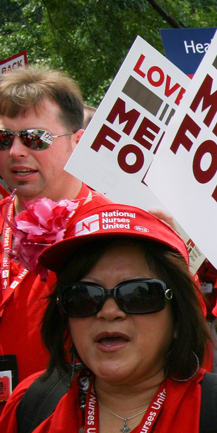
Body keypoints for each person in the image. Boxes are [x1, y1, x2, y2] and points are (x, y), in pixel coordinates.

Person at [0, 203, 217, 432]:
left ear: (177, 317)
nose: (109, 312)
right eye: (84, 297)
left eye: (138, 294)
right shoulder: (34, 404)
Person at [0, 67, 113, 408]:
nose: (16, 151)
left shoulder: (114, 228)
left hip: (80, 415)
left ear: (77, 143)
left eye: (35, 138)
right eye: (4, 139)